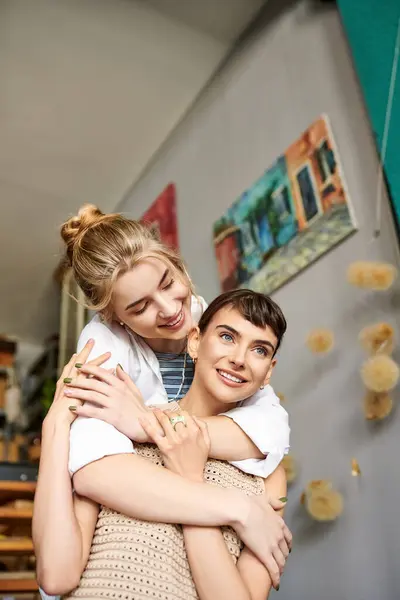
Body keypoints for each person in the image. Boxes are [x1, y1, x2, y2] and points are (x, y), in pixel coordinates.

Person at [33, 205, 291, 594]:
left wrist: (147, 425)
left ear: (177, 265)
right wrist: (236, 508)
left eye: (169, 284)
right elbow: (94, 473)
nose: (171, 310)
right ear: (114, 318)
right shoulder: (103, 354)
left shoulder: (216, 326)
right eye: (140, 306)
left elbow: (270, 433)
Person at [59, 289, 290, 599]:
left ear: (268, 372)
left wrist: (191, 476)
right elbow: (62, 568)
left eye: (259, 350)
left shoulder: (268, 473)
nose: (239, 359)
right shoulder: (126, 421)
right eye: (227, 337)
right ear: (194, 341)